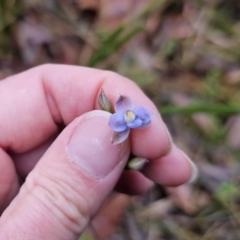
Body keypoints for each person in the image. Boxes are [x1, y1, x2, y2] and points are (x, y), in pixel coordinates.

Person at [0, 64, 197, 239]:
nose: (130, 115)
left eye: (131, 114)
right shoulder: (117, 124)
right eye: (128, 113)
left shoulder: (126, 121)